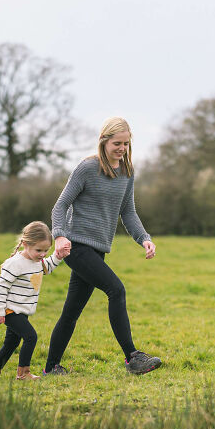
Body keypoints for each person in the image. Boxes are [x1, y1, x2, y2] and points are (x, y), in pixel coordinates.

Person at [44, 117, 161, 376]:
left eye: (126, 144)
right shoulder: (87, 168)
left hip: (97, 249)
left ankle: (51, 367)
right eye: (117, 143)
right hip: (77, 246)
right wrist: (60, 235)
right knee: (116, 290)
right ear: (104, 141)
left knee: (71, 311)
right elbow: (60, 206)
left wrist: (144, 238)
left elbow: (128, 212)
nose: (122, 148)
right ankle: (133, 357)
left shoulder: (127, 172)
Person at [0, 221, 63, 382]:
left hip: (22, 311)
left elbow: (46, 267)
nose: (42, 254)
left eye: (46, 250)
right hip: (11, 310)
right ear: (26, 244)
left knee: (11, 343)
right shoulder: (15, 263)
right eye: (38, 250)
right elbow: (1, 287)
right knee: (31, 337)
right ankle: (23, 373)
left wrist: (57, 256)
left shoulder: (37, 261)